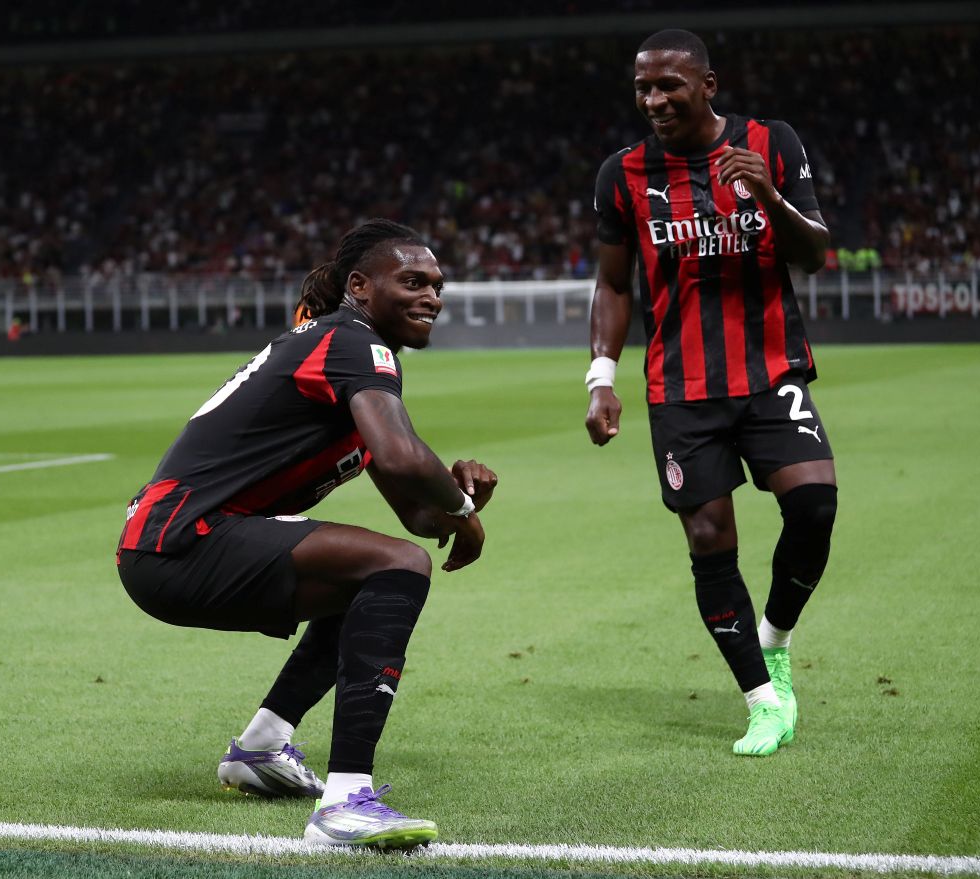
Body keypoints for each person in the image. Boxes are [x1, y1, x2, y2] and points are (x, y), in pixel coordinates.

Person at [116, 219, 497, 846]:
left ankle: (262, 747)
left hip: (169, 546)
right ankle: (346, 801)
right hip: (181, 540)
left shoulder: (349, 365)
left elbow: (415, 516)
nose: (433, 296)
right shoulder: (352, 342)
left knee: (375, 574)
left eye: (438, 285)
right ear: (360, 287)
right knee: (394, 567)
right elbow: (404, 462)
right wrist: (458, 505)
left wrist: (456, 503)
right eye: (413, 281)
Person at [585, 29, 837, 757]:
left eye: (669, 85)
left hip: (771, 372)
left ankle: (776, 636)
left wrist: (766, 193)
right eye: (643, 89)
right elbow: (612, 282)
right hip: (681, 389)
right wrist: (601, 378)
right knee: (708, 537)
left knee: (814, 506)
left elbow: (816, 252)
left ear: (708, 83)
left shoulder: (772, 142)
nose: (655, 100)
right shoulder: (623, 173)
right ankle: (762, 699)